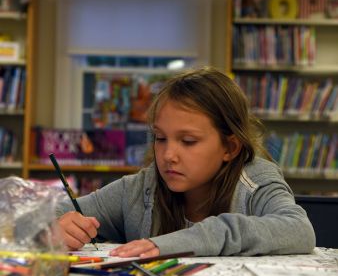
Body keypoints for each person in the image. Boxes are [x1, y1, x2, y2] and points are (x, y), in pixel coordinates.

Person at [56, 67, 316, 258]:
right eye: (160, 138)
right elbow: (37, 218)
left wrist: (188, 240)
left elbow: (299, 229)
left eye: (188, 141)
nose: (169, 155)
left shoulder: (254, 180)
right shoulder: (140, 188)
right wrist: (56, 228)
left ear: (230, 147)